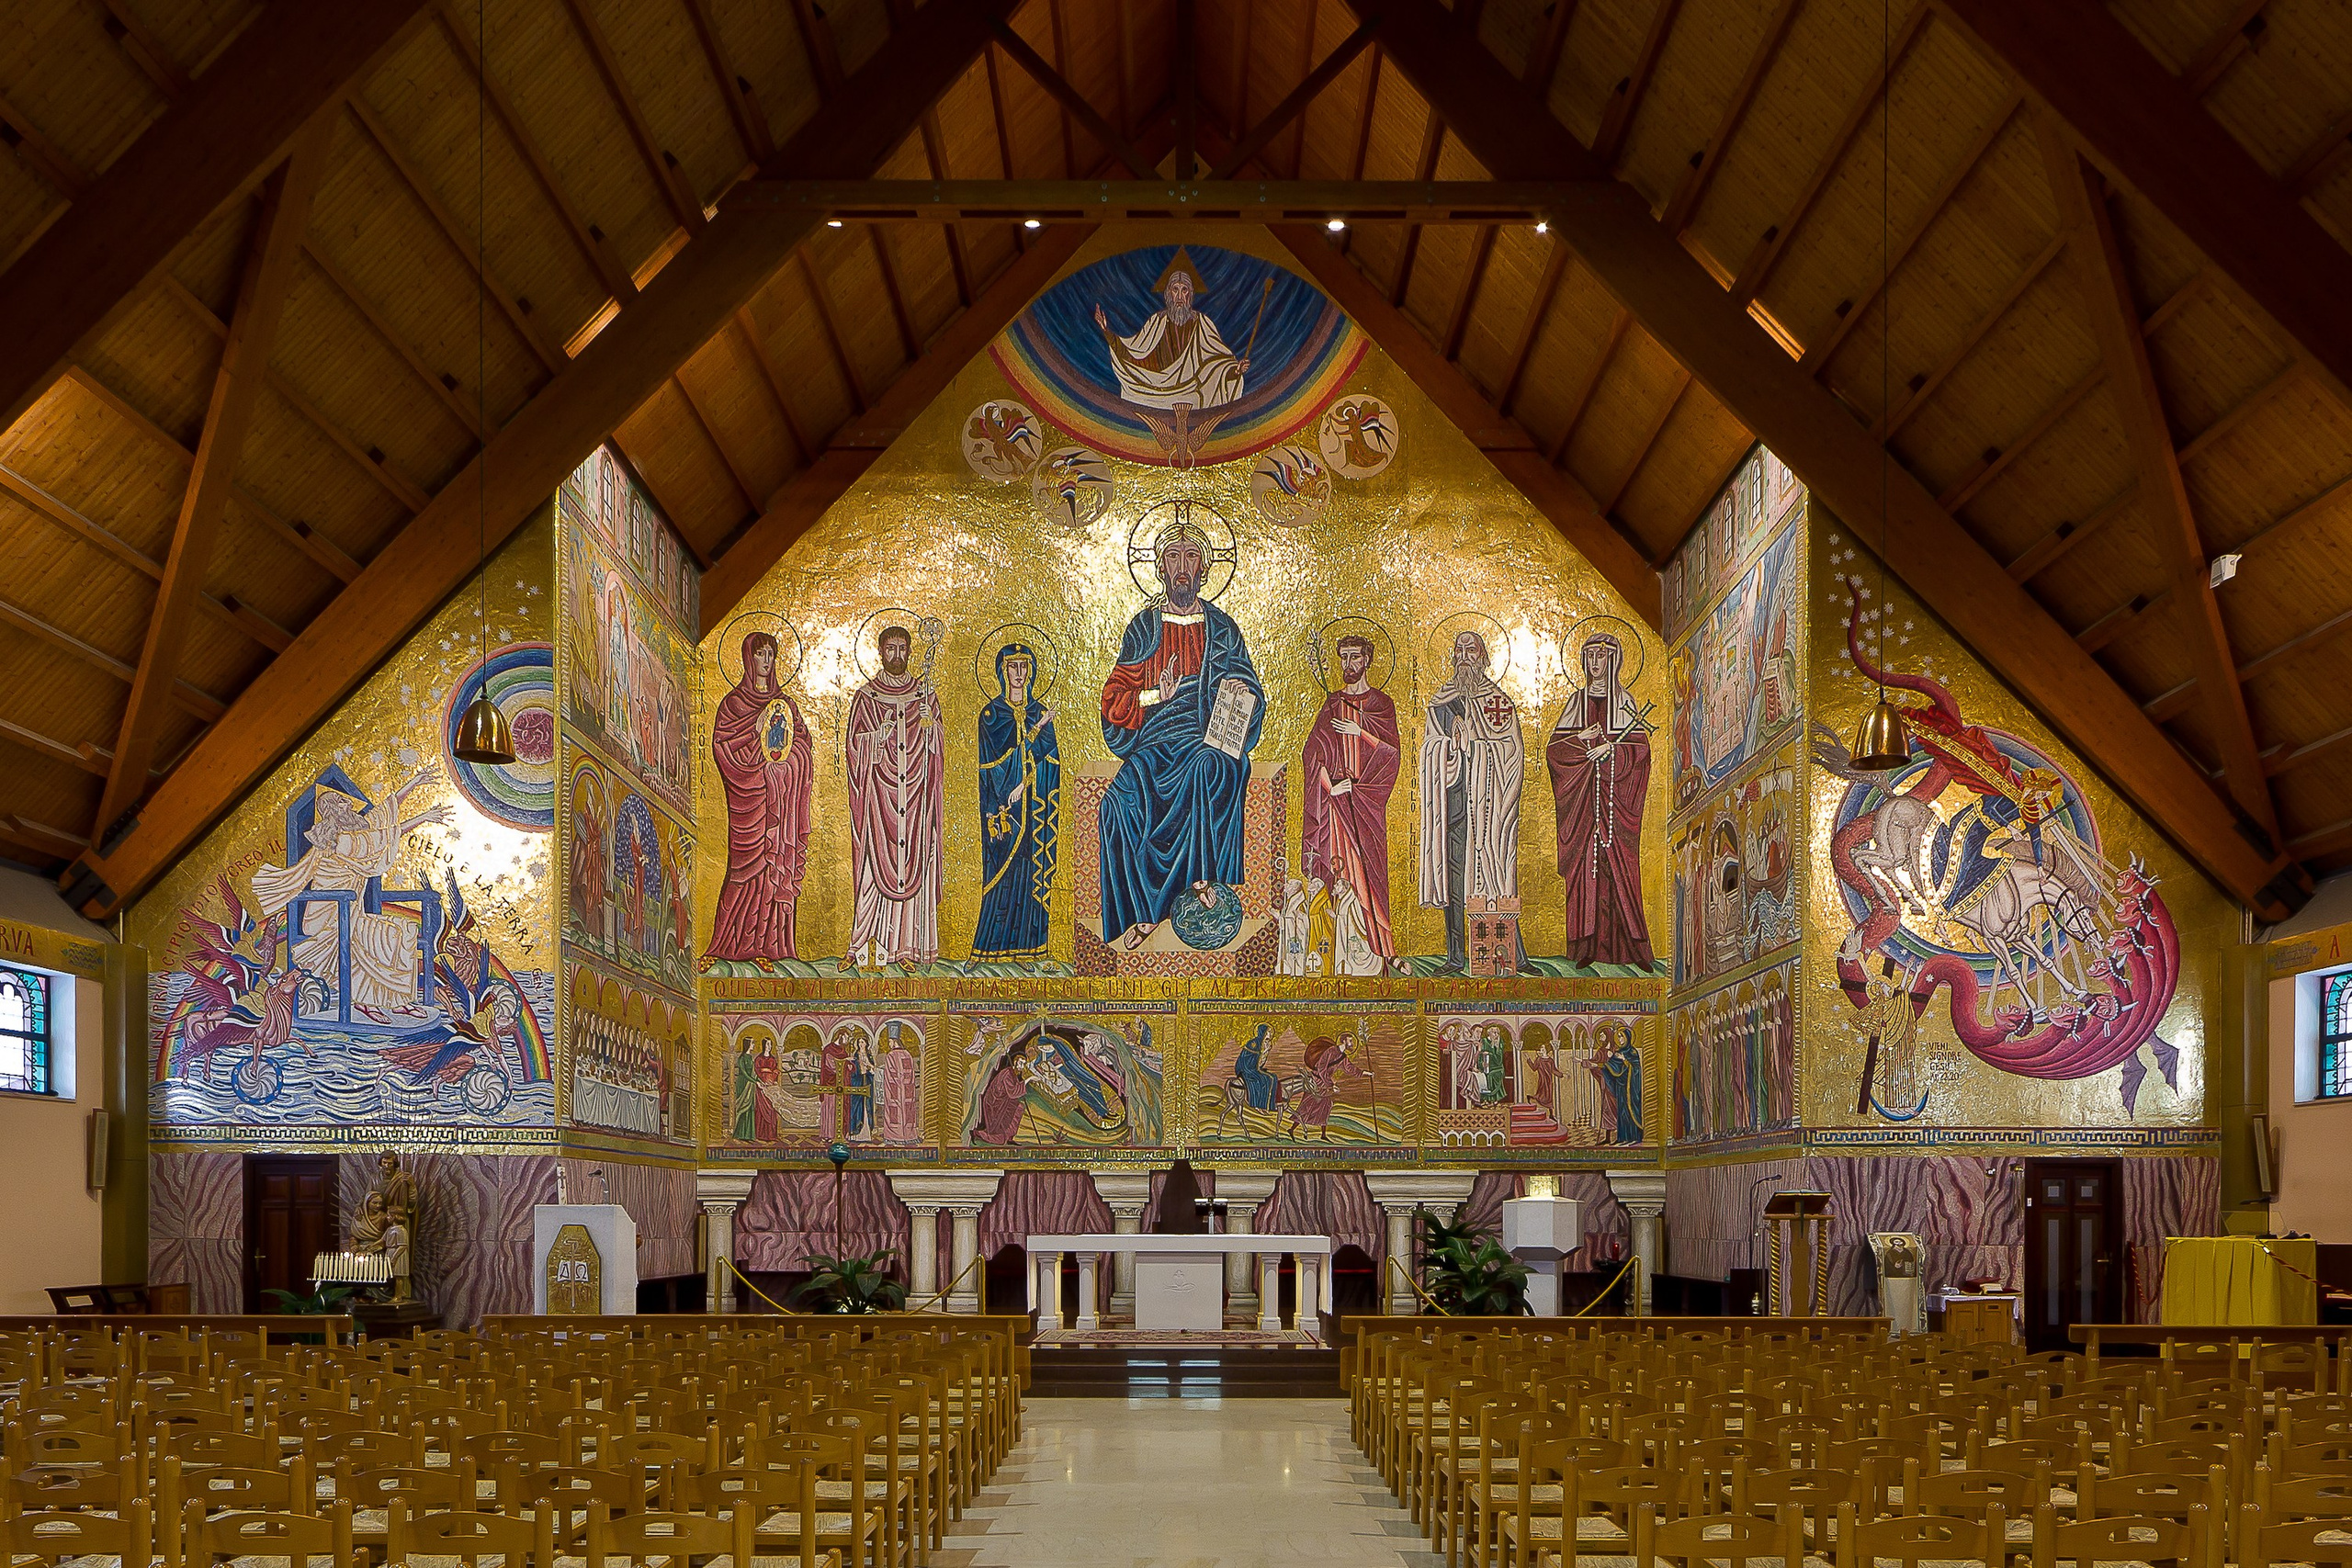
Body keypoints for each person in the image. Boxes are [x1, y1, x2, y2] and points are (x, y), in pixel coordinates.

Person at [1098, 524, 1263, 948]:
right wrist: (1155, 694)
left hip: (1204, 736)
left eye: (1192, 558)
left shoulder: (1221, 628)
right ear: (1160, 568)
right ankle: (1142, 911)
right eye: (1174, 557)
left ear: (1204, 568)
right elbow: (1115, 696)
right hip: (1154, 743)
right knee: (1116, 803)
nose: (1182, 568)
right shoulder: (1144, 627)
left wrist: (1243, 691)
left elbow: (1247, 684)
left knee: (1209, 766)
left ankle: (1200, 882)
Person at [252, 777, 449, 1018]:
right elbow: (382, 836)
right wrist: (422, 818)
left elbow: (383, 815)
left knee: (404, 929)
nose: (351, 808)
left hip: (349, 913)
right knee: (379, 935)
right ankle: (364, 1002)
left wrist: (414, 783)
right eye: (345, 805)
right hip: (329, 918)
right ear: (334, 813)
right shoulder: (339, 841)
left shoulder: (353, 833)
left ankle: (397, 1000)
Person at [1547, 633, 1657, 969]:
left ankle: (1630, 949)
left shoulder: (1625, 702)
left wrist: (1612, 750)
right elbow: (1554, 753)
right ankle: (1584, 948)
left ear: (1614, 661)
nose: (1595, 663)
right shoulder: (1575, 703)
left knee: (1619, 868)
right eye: (1590, 656)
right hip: (1581, 804)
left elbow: (1641, 752)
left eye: (1602, 656)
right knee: (1585, 871)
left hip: (1615, 802)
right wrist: (1580, 743)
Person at [1418, 632, 1523, 973]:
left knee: (1496, 872)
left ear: (1484, 657)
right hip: (1453, 803)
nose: (1464, 657)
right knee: (1452, 877)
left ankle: (1510, 955)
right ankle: (1454, 954)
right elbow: (1429, 748)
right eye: (1459, 651)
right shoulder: (1441, 702)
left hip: (1488, 806)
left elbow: (1511, 753)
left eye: (1471, 651)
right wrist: (1448, 745)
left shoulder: (1499, 704)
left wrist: (1474, 747)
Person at [706, 632, 813, 963]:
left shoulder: (786, 706)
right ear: (748, 659)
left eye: (771, 654)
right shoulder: (732, 705)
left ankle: (771, 948)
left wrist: (784, 765)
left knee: (773, 870)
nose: (766, 661)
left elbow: (803, 748)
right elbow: (723, 748)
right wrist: (755, 738)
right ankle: (726, 946)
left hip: (779, 804)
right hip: (748, 803)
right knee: (741, 870)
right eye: (760, 654)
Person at [845, 626, 944, 969]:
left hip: (915, 799)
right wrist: (877, 737)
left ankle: (904, 950)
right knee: (873, 871)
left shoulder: (924, 694)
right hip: (878, 800)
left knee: (916, 866)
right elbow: (853, 746)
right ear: (880, 651)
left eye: (903, 649)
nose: (897, 655)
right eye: (891, 648)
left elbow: (937, 749)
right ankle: (860, 947)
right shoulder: (867, 698)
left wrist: (931, 728)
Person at [1300, 633, 1399, 972]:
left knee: (1370, 876)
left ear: (1367, 660)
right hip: (1337, 809)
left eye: (1355, 657)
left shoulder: (1382, 705)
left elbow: (1392, 756)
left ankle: (1382, 950)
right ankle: (1336, 955)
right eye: (1343, 658)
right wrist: (1331, 787)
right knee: (1341, 876)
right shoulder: (1332, 704)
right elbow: (1311, 754)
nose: (1348, 665)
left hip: (1368, 805)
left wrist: (1361, 734)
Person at [973, 644, 1060, 963]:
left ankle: (1031, 947)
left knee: (1030, 871)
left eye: (1025, 667)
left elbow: (1052, 760)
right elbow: (991, 766)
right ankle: (991, 947)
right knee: (1001, 877)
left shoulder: (1039, 711)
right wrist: (1014, 782)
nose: (1019, 674)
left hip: (1036, 812)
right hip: (1003, 812)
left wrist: (1028, 782)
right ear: (1002, 672)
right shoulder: (992, 715)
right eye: (1013, 667)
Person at [1092, 248, 1249, 411]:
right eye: (1175, 289)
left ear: (1191, 294)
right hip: (1157, 393)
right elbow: (1136, 354)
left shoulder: (1202, 323)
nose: (1180, 296)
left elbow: (1218, 364)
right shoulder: (1156, 322)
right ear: (1168, 294)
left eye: (1184, 290)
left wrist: (1235, 371)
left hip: (1191, 393)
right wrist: (1107, 331)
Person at [972, 1037, 1035, 1145]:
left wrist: (1022, 1083)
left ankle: (1010, 1136)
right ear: (1015, 1062)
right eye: (1020, 1063)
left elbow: (1013, 1090)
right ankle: (978, 1134)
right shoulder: (1007, 1073)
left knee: (1019, 1108)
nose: (1021, 1066)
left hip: (1005, 1100)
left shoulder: (1013, 1073)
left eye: (1023, 1064)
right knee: (999, 1137)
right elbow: (1012, 1092)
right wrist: (1028, 1080)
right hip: (995, 1103)